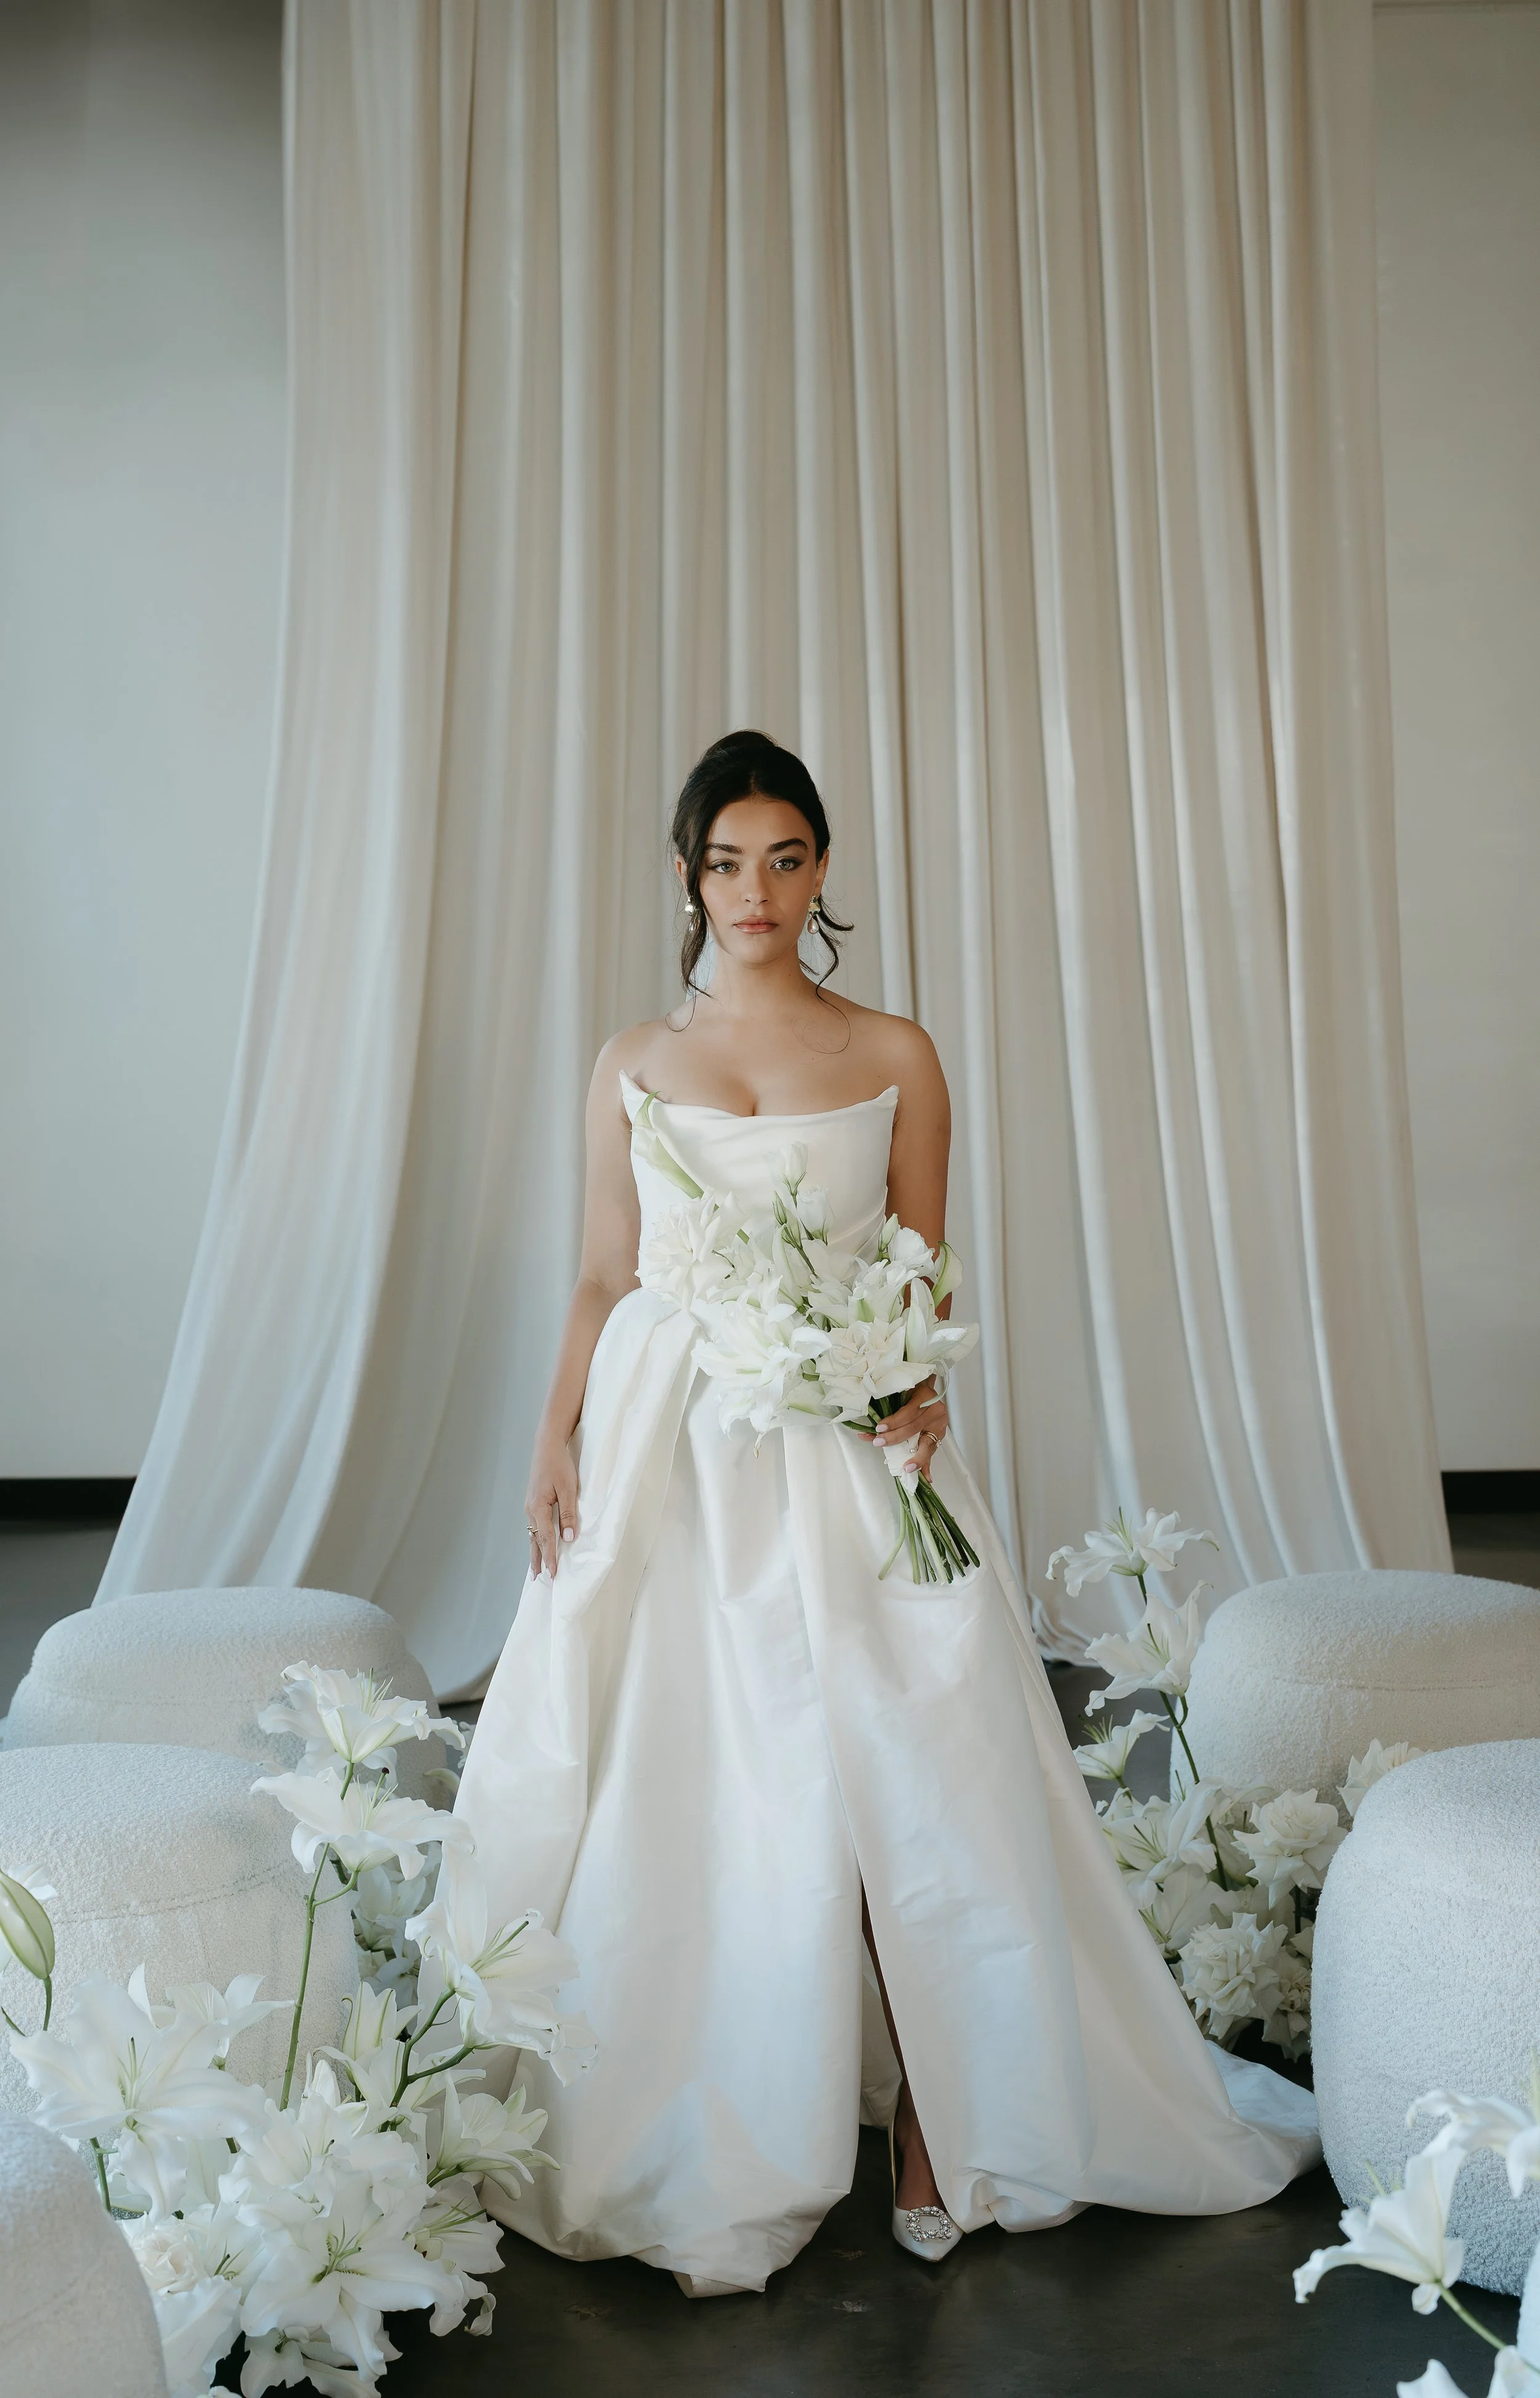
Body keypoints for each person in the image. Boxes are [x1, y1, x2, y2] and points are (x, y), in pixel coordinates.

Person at [453, 729, 1318, 2298]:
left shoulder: (895, 1050)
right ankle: (715, 2089)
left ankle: (938, 2097)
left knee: (915, 1771)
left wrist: (915, 1389)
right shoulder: (633, 1059)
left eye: (785, 858)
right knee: (715, 1778)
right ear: (685, 875)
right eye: (727, 862)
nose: (756, 890)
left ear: (822, 870)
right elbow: (601, 1268)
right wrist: (551, 1435)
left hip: (849, 1445)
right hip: (680, 1455)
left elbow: (922, 1268)